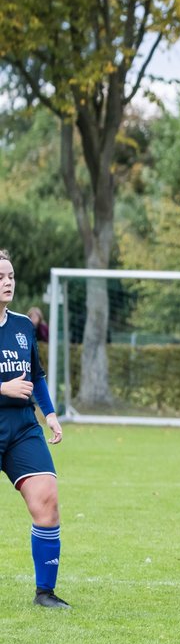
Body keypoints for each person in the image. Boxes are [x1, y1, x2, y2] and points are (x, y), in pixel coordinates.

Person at [0, 251, 68, 608]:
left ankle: (45, 592)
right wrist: (2, 387)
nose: (8, 282)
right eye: (0, 277)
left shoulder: (24, 326)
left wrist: (51, 414)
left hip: (23, 427)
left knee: (48, 500)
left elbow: (36, 375)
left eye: (10, 276)